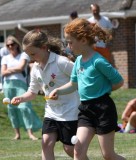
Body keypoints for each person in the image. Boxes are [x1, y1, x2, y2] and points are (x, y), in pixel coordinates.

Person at [49, 18, 125, 160]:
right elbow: (73, 84)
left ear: (83, 40)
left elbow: (119, 82)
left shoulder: (99, 61)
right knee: (78, 151)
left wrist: (102, 91)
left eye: (70, 42)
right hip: (85, 110)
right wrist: (58, 91)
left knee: (108, 155)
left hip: (103, 109)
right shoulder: (77, 61)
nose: (68, 46)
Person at [11, 29, 80, 160]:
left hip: (70, 112)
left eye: (33, 54)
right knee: (46, 143)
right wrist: (21, 98)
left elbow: (80, 80)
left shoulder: (62, 62)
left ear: (44, 47)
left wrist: (61, 90)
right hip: (51, 112)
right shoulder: (35, 69)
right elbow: (32, 93)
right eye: (28, 55)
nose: (31, 58)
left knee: (70, 149)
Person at [1, 35, 42, 140]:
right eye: (8, 45)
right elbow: (2, 72)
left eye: (12, 44)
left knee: (24, 107)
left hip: (21, 83)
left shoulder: (23, 55)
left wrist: (9, 70)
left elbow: (21, 68)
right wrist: (13, 70)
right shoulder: (5, 58)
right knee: (11, 108)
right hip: (7, 85)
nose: (10, 46)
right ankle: (17, 134)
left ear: (16, 44)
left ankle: (30, 133)